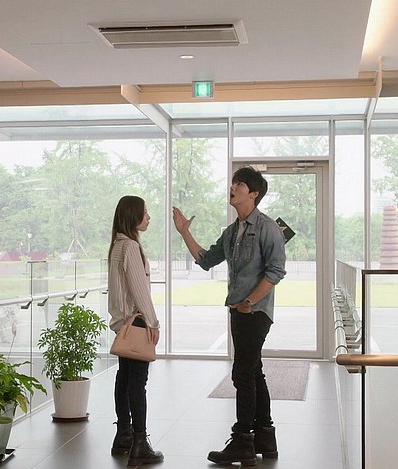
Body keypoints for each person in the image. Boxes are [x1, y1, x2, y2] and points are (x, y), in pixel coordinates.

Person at [172, 166, 286, 466]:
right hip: (239, 311)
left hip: (256, 312)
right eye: (233, 182)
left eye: (239, 184)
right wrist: (184, 232)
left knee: (242, 374)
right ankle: (265, 437)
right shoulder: (233, 231)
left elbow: (276, 271)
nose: (232, 187)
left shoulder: (267, 228)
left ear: (254, 193)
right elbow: (206, 259)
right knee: (253, 371)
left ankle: (243, 441)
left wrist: (250, 301)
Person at [107, 195, 164, 466]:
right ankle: (140, 442)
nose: (148, 217)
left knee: (125, 378)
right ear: (133, 216)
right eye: (145, 212)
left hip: (122, 324)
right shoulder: (130, 247)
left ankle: (124, 435)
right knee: (137, 382)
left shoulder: (117, 245)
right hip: (137, 322)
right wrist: (153, 322)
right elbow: (139, 289)